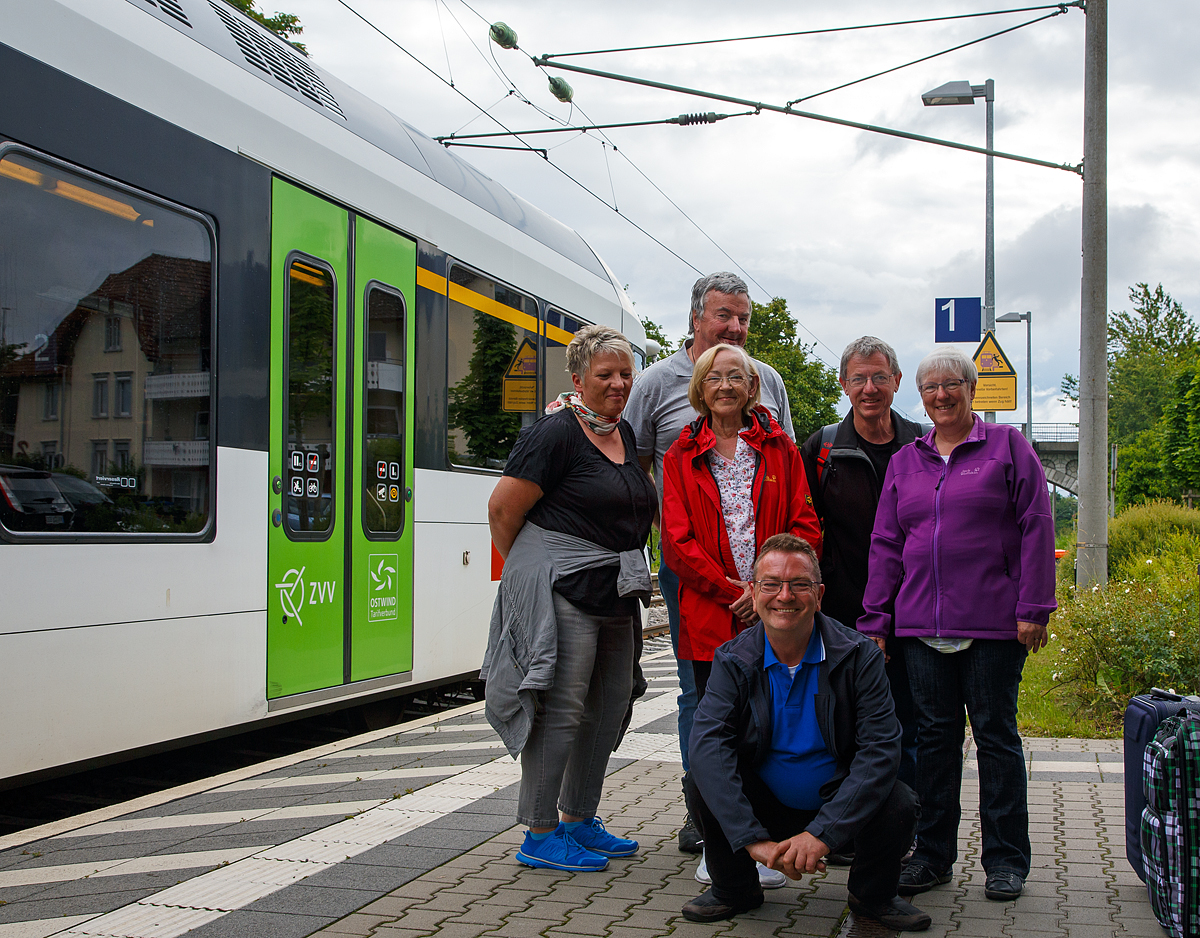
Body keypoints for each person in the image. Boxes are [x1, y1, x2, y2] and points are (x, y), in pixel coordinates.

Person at [859, 347, 1056, 902]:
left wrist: (1034, 607)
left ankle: (1005, 861)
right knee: (934, 741)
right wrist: (876, 619)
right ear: (919, 397)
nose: (941, 395)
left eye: (952, 385)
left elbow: (1037, 524)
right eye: (930, 388)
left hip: (995, 624)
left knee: (996, 739)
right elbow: (887, 543)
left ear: (973, 390)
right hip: (921, 625)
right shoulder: (906, 461)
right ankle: (932, 856)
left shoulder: (1007, 448)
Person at [623, 271, 794, 856]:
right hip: (690, 565)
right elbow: (636, 460)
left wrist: (769, 575)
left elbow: (786, 467)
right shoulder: (654, 382)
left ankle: (765, 805)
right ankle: (705, 808)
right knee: (702, 690)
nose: (736, 327)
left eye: (744, 317)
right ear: (696, 318)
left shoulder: (767, 378)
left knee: (771, 688)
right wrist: (670, 534)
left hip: (770, 577)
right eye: (725, 315)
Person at [682, 534, 930, 932]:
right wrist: (753, 842)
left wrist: (822, 835)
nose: (785, 596)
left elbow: (881, 751)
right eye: (771, 584)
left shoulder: (859, 656)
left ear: (819, 594)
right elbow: (708, 745)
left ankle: (874, 895)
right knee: (702, 778)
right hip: (765, 807)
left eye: (799, 584)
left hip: (839, 809)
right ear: (752, 591)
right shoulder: (732, 659)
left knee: (898, 801)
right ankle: (734, 889)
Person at [482, 324, 658, 873]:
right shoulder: (555, 433)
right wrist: (539, 569)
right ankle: (539, 831)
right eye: (605, 374)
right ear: (578, 377)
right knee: (561, 711)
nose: (617, 383)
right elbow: (502, 511)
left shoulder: (624, 433)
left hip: (614, 592)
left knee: (608, 709)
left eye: (625, 373)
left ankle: (580, 819)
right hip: (565, 591)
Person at [799, 337, 923, 790]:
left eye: (879, 377)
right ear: (843, 384)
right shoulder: (822, 449)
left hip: (914, 612)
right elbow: (801, 528)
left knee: (908, 723)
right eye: (858, 378)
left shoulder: (923, 445)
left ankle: (905, 822)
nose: (869, 388)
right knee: (844, 721)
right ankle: (846, 822)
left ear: (897, 381)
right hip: (843, 611)